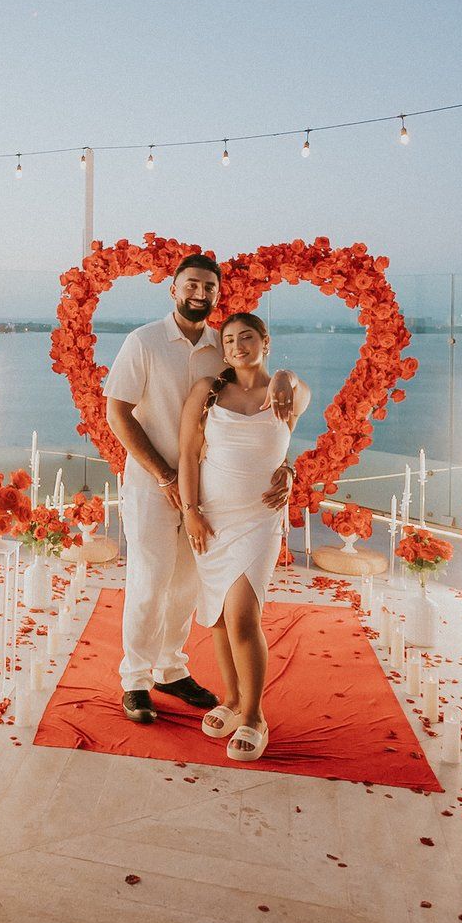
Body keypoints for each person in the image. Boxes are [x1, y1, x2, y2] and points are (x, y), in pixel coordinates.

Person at [104, 255, 306, 724]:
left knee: (189, 584)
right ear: (173, 290)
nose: (200, 293)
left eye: (209, 287)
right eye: (191, 284)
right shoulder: (144, 341)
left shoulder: (225, 344)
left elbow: (265, 417)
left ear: (218, 293)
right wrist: (165, 475)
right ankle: (135, 679)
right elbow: (118, 415)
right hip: (153, 482)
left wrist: (285, 389)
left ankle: (171, 668)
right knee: (150, 580)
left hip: (211, 493)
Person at [176, 311, 306, 761]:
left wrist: (286, 375)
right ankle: (230, 699)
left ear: (264, 340)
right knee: (216, 614)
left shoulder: (288, 391)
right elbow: (189, 455)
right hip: (212, 517)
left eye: (246, 337)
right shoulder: (207, 391)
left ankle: (254, 715)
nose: (237, 346)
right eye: (229, 339)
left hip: (259, 519)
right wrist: (190, 511)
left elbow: (290, 435)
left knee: (244, 616)